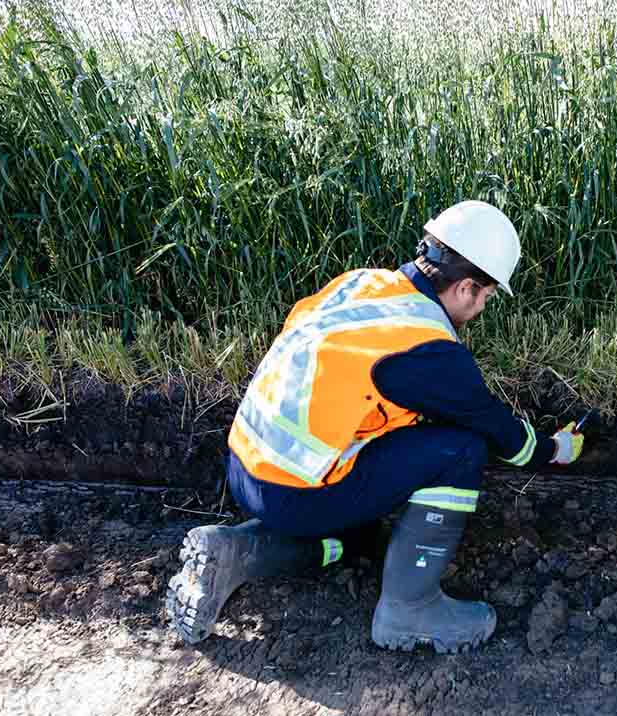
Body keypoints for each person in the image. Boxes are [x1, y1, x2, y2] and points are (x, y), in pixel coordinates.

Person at [166, 201, 585, 653]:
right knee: (461, 450)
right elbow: (502, 435)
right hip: (298, 493)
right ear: (466, 287)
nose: (482, 306)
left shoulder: (360, 284)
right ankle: (411, 609)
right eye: (487, 296)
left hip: (247, 469)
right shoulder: (427, 345)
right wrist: (557, 448)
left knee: (363, 537)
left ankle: (238, 552)